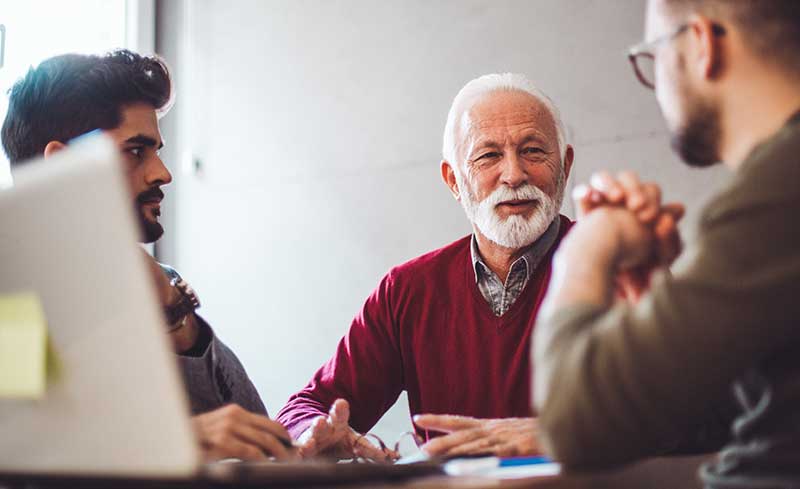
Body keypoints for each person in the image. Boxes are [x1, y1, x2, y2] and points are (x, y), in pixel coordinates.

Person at [276, 72, 669, 461]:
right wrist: (315, 434)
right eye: (488, 156)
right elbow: (304, 409)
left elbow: (689, 409)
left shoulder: (620, 265)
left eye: (533, 151)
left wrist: (562, 434)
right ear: (453, 179)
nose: (514, 174)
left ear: (565, 166)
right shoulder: (407, 291)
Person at [533, 0, 800, 487]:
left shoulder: (783, 185)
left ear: (701, 43)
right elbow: (747, 407)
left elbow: (572, 421)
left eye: (652, 55)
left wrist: (587, 244)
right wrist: (662, 303)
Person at [1, 50, 293, 462]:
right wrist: (170, 442)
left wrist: (305, 453)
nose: (162, 173)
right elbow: (17, 451)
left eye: (156, 151)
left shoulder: (152, 284)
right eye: (136, 151)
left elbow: (253, 435)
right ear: (62, 165)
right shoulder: (12, 285)